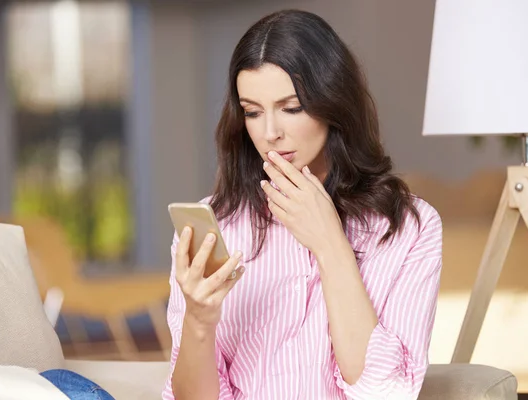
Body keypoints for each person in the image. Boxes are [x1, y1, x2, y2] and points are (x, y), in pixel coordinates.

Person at [162, 9, 442, 400]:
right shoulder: (219, 224)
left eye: (291, 108)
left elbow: (386, 393)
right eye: (252, 112)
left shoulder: (410, 228)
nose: (270, 133)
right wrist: (199, 320)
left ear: (333, 101)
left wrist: (330, 245)